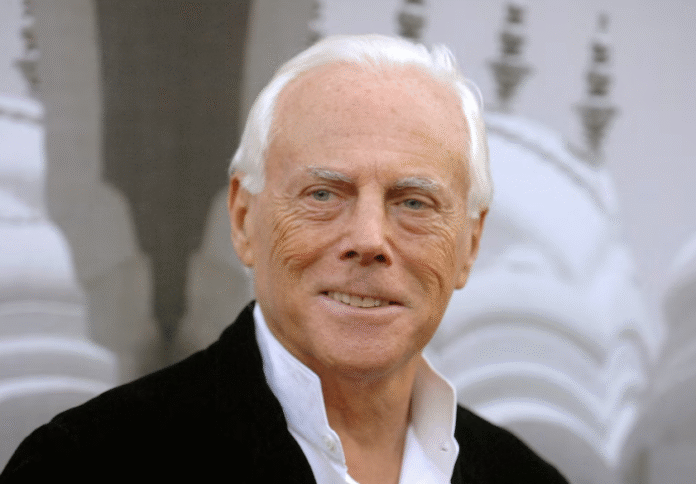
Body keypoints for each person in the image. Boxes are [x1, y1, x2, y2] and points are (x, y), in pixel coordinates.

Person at [1, 34, 568, 483]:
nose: (369, 239)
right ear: (243, 219)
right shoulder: (83, 466)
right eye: (324, 194)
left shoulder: (527, 478)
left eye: (413, 202)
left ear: (470, 244)